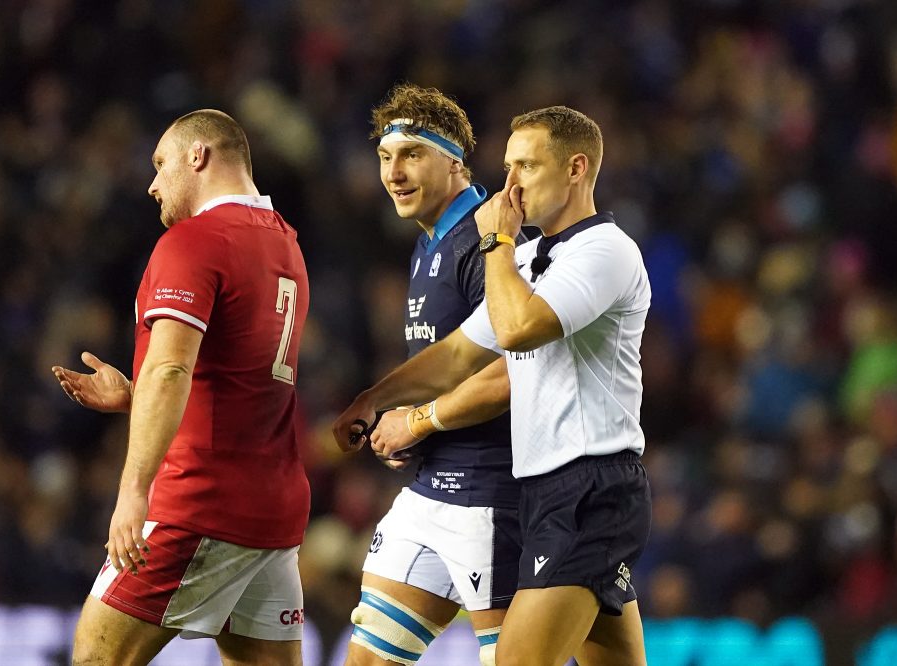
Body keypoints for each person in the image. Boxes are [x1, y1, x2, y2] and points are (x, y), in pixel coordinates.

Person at [334, 105, 651, 666]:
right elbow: (458, 352)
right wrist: (375, 398)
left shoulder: (605, 250)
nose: (510, 186)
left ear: (577, 169)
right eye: (507, 167)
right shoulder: (530, 258)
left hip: (590, 490)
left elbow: (517, 331)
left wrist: (496, 244)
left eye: (526, 167)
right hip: (545, 490)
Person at [52, 109, 310, 666]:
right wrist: (136, 395)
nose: (152, 183)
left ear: (199, 157)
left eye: (160, 163)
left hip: (199, 504)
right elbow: (236, 376)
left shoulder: (194, 241)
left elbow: (171, 371)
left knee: (97, 659)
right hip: (274, 509)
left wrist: (132, 493)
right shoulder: (285, 243)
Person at [340, 83, 522, 666]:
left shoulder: (492, 241)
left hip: (494, 497)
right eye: (385, 158)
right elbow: (448, 365)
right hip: (430, 491)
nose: (394, 172)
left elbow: (512, 375)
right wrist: (386, 412)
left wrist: (416, 422)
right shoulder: (429, 243)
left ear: (455, 161)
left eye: (412, 154)